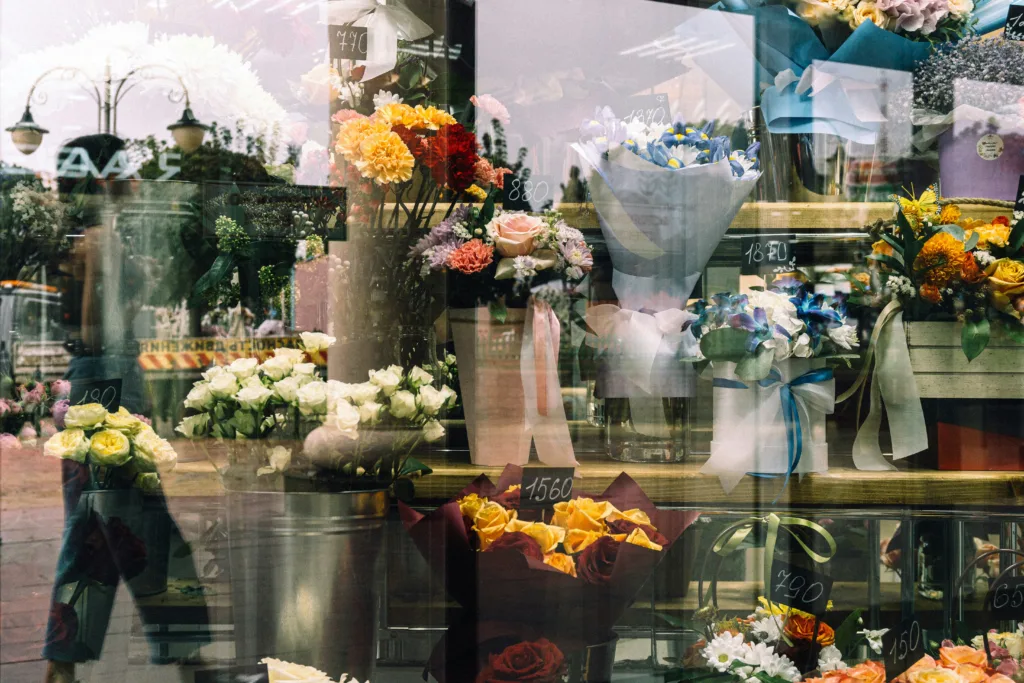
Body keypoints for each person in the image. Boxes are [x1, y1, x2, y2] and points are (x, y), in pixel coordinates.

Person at [43, 134, 209, 683]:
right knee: (123, 521)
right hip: (107, 379)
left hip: (102, 377)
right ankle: (185, 655)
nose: (136, 178)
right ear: (105, 176)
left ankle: (69, 662)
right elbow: (95, 327)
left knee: (111, 523)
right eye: (127, 167)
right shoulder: (100, 239)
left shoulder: (91, 237)